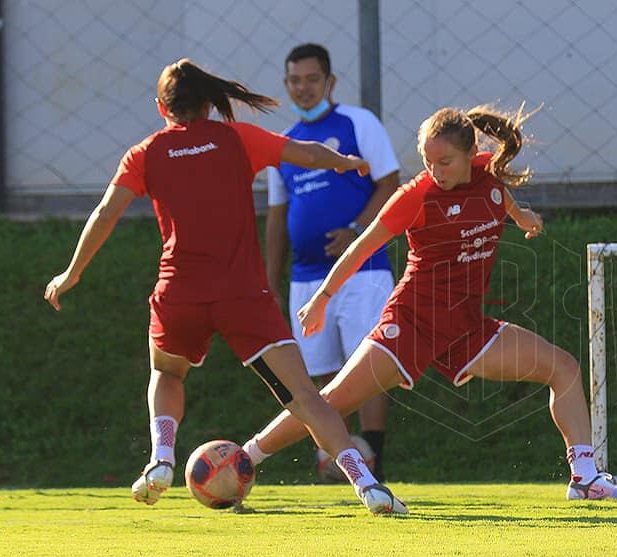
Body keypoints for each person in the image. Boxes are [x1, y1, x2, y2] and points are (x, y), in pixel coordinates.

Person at [43, 58, 407, 515]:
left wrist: (72, 272)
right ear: (209, 104)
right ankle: (367, 483)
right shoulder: (237, 138)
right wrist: (345, 162)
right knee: (304, 396)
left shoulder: (144, 154)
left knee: (168, 373)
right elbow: (310, 154)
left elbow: (105, 213)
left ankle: (161, 459)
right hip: (243, 296)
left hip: (180, 294)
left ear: (162, 107)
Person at [242, 104, 617, 501]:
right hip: (412, 323)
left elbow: (499, 198)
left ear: (471, 154)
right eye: (427, 161)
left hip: (466, 329)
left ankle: (585, 478)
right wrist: (322, 298)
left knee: (564, 369)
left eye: (445, 162)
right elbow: (361, 247)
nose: (435, 171)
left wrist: (522, 217)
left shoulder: (488, 177)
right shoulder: (415, 196)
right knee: (331, 402)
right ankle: (246, 457)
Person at [266, 43, 399, 480]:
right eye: (295, 81)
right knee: (320, 374)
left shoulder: (359, 123)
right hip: (305, 278)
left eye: (312, 79)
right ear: (286, 85)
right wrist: (269, 282)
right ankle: (339, 462)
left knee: (368, 364)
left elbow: (390, 184)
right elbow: (277, 216)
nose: (303, 88)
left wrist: (356, 231)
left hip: (363, 270)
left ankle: (375, 457)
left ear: (330, 82)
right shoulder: (282, 144)